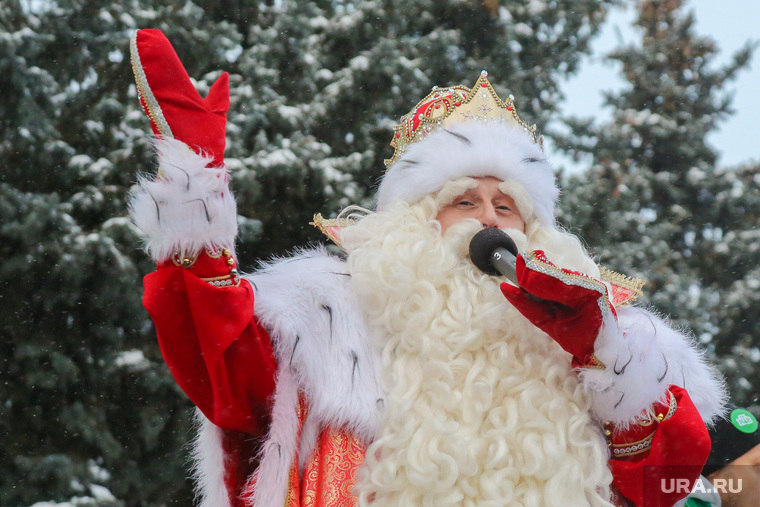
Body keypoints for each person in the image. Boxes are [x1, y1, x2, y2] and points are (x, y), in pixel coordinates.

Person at [128, 29, 727, 507]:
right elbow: (215, 355)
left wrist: (603, 354)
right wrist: (193, 192)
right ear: (411, 221)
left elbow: (664, 486)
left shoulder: (615, 343)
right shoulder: (326, 318)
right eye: (462, 201)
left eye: (506, 206)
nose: (487, 220)